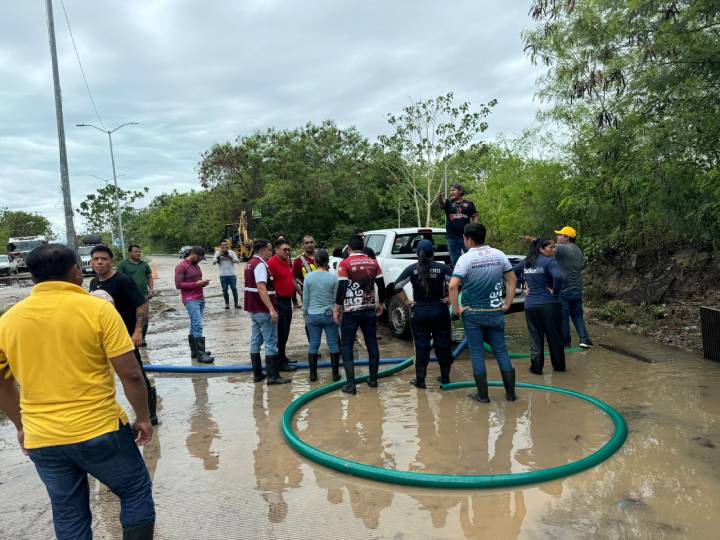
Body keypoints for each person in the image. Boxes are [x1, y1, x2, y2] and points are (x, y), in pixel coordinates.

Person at [0, 244, 154, 540]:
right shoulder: (98, 310)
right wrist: (144, 417)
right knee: (134, 490)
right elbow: (132, 374)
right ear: (75, 270)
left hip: (43, 437)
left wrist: (22, 426)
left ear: (34, 278)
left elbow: (2, 383)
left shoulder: (8, 321)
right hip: (99, 430)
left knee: (68, 511)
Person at [90, 245, 158, 426]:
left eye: (103, 259)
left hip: (125, 336)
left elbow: (141, 305)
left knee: (136, 374)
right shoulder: (93, 284)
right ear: (91, 262)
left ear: (111, 261)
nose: (99, 262)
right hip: (104, 339)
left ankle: (150, 414)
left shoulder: (122, 281)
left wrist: (137, 332)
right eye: (96, 259)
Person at [449, 223, 517, 403]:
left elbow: (453, 285)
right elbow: (512, 279)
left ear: (468, 239)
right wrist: (507, 304)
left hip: (473, 314)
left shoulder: (465, 259)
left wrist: (456, 310)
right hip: (495, 312)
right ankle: (511, 394)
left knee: (477, 353)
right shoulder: (499, 254)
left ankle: (483, 395)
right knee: (501, 351)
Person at [394, 240, 453, 388]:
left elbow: (397, 286)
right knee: (443, 344)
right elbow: (458, 283)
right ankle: (445, 379)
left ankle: (420, 381)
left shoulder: (412, 269)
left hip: (419, 312)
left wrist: (407, 301)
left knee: (421, 346)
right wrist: (450, 298)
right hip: (440, 310)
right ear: (433, 252)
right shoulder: (442, 268)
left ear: (417, 253)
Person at [333, 235, 385, 395]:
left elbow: (341, 287)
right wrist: (381, 303)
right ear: (362, 248)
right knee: (371, 343)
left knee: (347, 344)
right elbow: (381, 285)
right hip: (369, 309)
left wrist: (337, 307)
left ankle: (351, 385)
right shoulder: (373, 262)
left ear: (348, 248)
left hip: (350, 311)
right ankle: (373, 380)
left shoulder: (345, 263)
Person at [514, 239, 566, 375]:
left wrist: (522, 283)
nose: (554, 250)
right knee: (554, 337)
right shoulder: (549, 262)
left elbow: (509, 273)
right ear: (541, 249)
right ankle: (559, 369)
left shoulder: (526, 262)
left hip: (531, 306)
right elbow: (559, 277)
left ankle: (536, 369)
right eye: (551, 247)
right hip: (550, 305)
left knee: (536, 338)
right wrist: (555, 291)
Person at [244, 239, 290, 384]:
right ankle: (273, 376)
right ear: (263, 250)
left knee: (255, 341)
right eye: (270, 250)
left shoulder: (249, 264)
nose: (271, 252)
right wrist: (271, 309)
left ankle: (257, 374)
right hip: (262, 309)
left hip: (253, 309)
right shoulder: (260, 265)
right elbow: (261, 288)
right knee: (271, 342)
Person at [302, 250, 340, 382]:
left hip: (313, 316)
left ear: (315, 262)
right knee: (333, 344)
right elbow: (337, 299)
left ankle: (313, 376)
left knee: (313, 345)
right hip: (330, 315)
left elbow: (305, 299)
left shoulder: (308, 277)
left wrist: (305, 314)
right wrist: (338, 314)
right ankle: (335, 375)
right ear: (327, 262)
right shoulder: (333, 278)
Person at [554, 226, 594, 348]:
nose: (557, 237)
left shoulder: (563, 249)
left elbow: (546, 246)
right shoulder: (578, 250)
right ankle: (584, 340)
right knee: (577, 316)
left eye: (560, 235)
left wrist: (532, 240)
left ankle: (566, 343)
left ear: (567, 237)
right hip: (576, 288)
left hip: (564, 290)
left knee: (563, 318)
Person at [175, 247, 214, 363]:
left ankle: (195, 352)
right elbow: (178, 284)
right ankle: (201, 354)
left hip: (200, 297)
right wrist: (195, 284)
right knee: (198, 324)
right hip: (190, 299)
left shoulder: (196, 266)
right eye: (199, 258)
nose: (200, 260)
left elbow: (196, 282)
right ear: (193, 254)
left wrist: (202, 283)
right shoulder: (181, 266)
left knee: (194, 324)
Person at [267, 239, 299, 372]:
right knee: (281, 333)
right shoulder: (271, 263)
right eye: (284, 250)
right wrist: (272, 306)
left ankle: (283, 357)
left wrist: (298, 291)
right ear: (276, 250)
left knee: (286, 332)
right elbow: (268, 284)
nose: (287, 252)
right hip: (278, 301)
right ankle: (280, 363)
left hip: (287, 301)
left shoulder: (286, 261)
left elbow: (290, 278)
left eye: (288, 250)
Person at [117, 244, 154, 346]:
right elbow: (119, 280)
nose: (138, 253)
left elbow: (149, 277)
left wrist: (151, 289)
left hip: (143, 296)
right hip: (129, 297)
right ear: (129, 253)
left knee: (144, 318)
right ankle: (131, 337)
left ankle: (142, 338)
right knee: (131, 317)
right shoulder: (123, 265)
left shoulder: (144, 264)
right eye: (136, 252)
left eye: (139, 252)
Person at [437, 183, 478, 266]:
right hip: (452, 238)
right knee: (455, 261)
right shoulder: (448, 203)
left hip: (466, 237)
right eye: (450, 190)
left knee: (471, 259)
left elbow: (475, 216)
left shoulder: (469, 204)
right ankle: (457, 277)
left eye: (453, 190)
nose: (451, 192)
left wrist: (474, 227)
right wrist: (439, 197)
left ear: (460, 191)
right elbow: (442, 204)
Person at [212, 240, 241, 310]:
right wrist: (219, 256)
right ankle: (227, 304)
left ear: (227, 245)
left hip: (232, 274)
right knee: (225, 290)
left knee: (234, 289)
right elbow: (213, 262)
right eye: (222, 245)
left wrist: (229, 257)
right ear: (220, 246)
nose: (224, 246)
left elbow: (238, 261)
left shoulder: (231, 252)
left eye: (225, 245)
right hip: (223, 275)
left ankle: (236, 304)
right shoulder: (217, 253)